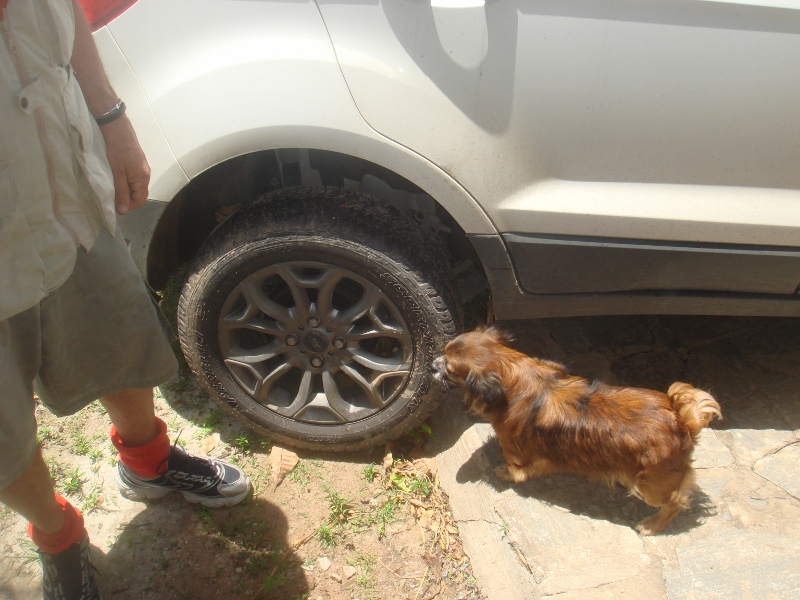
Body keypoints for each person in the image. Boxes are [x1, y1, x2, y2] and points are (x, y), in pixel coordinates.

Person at [0, 2, 251, 598]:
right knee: (3, 435)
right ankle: (58, 536)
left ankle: (147, 462)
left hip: (66, 191)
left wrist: (112, 119)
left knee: (119, 338)